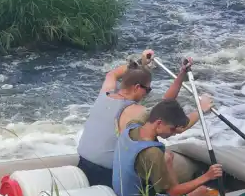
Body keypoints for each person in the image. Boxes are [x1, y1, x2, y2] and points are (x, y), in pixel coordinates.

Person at [77, 53, 198, 188]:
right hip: (106, 175)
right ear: (136, 87)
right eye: (148, 89)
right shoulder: (135, 111)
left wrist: (140, 63)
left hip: (82, 163)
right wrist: (201, 109)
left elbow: (112, 74)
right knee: (164, 158)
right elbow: (168, 113)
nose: (147, 93)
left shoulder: (105, 93)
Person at [112, 98, 222, 196]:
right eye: (172, 129)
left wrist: (200, 110)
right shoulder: (152, 153)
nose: (175, 133)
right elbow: (172, 192)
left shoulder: (132, 125)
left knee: (167, 157)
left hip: (123, 195)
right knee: (202, 190)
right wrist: (207, 176)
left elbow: (159, 109)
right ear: (159, 123)